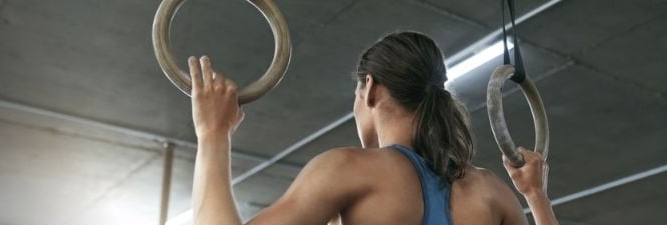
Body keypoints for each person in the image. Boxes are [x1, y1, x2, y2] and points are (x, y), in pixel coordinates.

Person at [187, 31, 559, 225]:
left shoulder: (348, 170)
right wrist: (536, 196)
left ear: (370, 88)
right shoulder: (491, 194)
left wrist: (213, 134)